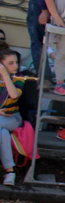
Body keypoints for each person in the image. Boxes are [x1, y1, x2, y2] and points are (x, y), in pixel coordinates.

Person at [0, 48, 25, 186]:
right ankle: (10, 172)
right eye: (10, 63)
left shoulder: (19, 79)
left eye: (16, 62)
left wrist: (5, 75)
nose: (15, 66)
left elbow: (14, 95)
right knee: (2, 133)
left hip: (13, 118)